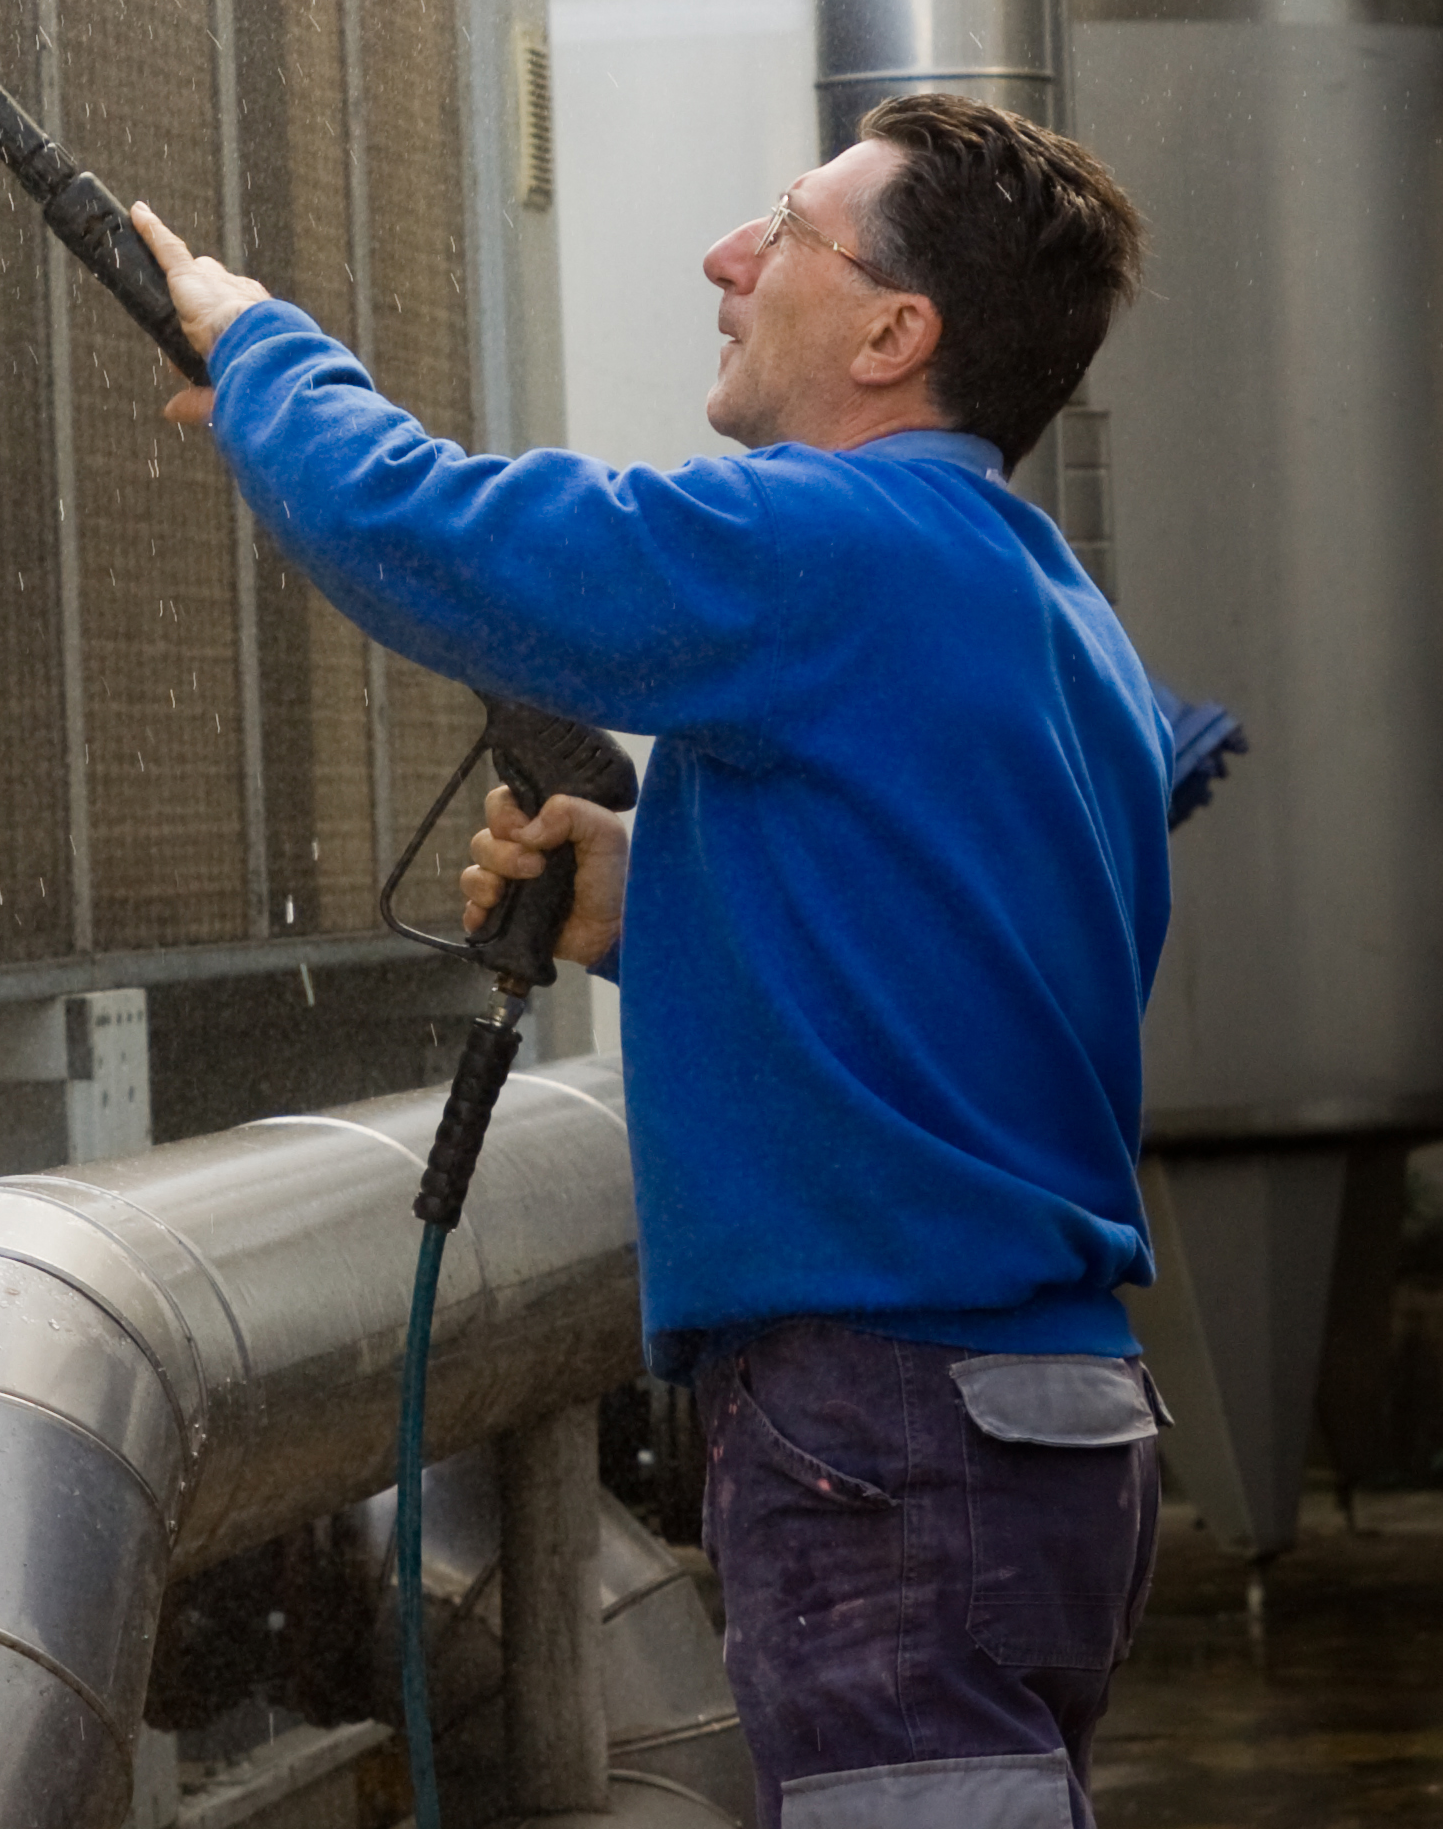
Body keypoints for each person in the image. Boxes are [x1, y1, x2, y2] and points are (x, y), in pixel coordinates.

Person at [134, 90, 1171, 1829]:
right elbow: (973, 963)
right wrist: (666, 895)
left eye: (787, 226)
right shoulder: (1047, 606)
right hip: (1037, 1423)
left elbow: (451, 544)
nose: (728, 256)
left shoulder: (833, 542)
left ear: (895, 332)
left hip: (891, 1419)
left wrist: (263, 356)